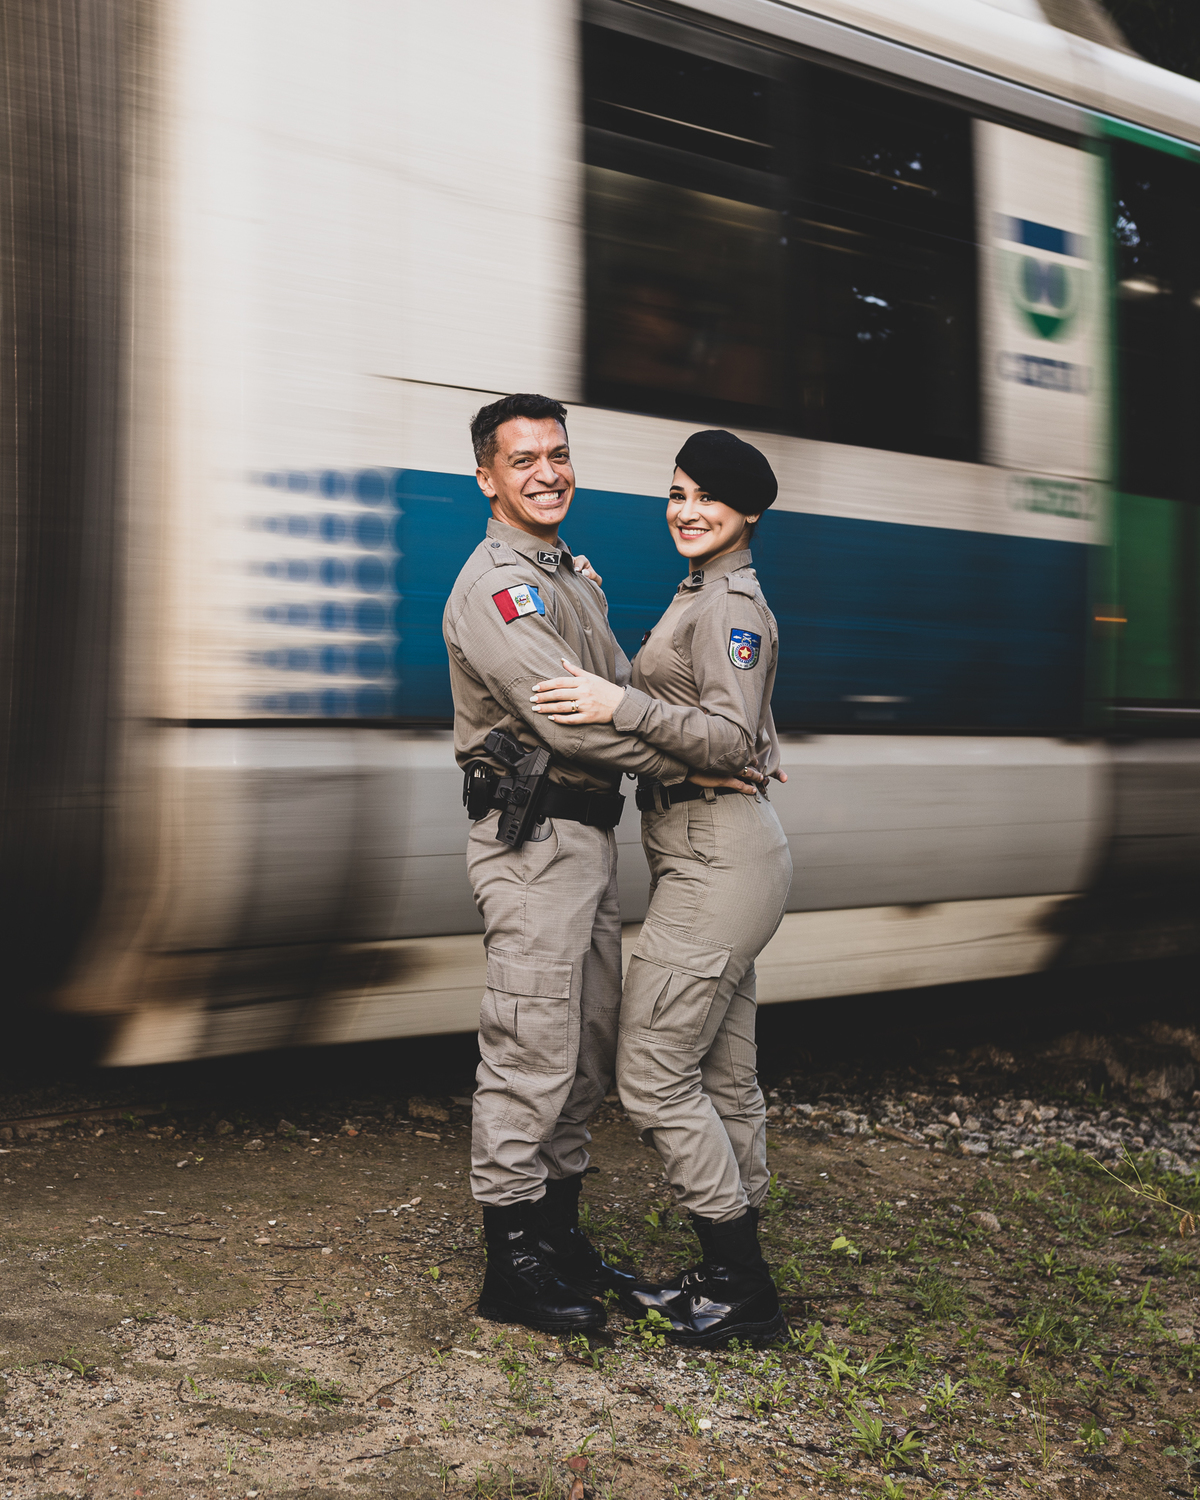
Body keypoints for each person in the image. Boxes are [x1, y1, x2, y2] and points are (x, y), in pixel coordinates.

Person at [442, 395, 757, 1335]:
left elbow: (624, 689)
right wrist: (700, 760)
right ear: (487, 478)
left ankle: (559, 1237)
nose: (547, 473)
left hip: (583, 837)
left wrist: (726, 736)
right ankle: (512, 1266)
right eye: (523, 459)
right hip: (532, 842)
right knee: (529, 1047)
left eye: (559, 454)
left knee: (582, 1044)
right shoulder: (499, 589)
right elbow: (567, 719)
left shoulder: (566, 574)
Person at [531, 429, 792, 1347]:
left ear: (747, 513)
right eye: (677, 492)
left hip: (722, 859)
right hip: (706, 852)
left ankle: (740, 1287)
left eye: (708, 498)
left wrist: (619, 708)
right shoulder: (702, 597)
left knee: (649, 1072)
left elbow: (722, 733)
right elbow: (733, 728)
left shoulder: (732, 606)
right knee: (723, 1075)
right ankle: (732, 1275)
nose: (687, 510)